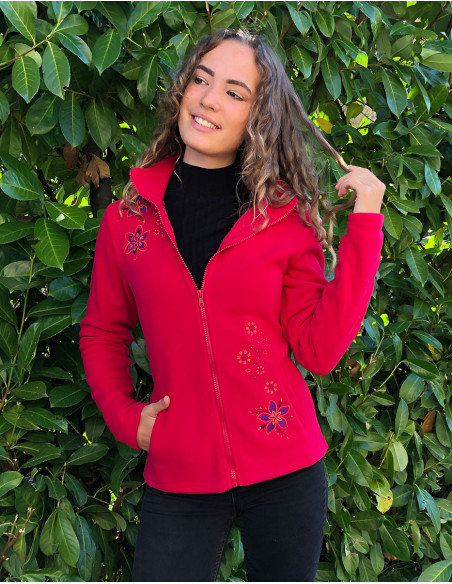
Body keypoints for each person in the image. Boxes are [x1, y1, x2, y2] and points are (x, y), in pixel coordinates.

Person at [79, 28, 385, 582]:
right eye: (201, 79)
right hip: (180, 471)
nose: (209, 99)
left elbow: (318, 351)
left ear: (258, 117)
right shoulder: (127, 219)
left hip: (287, 470)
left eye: (234, 92)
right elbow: (103, 330)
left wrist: (365, 227)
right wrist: (125, 417)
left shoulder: (284, 217)